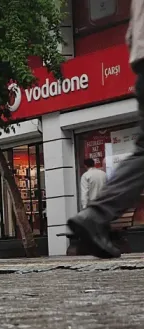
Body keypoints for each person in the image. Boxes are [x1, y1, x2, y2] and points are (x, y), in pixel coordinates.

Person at [67, 5, 144, 259]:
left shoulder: (89, 176)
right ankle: (95, 215)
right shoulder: (99, 173)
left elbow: (131, 35)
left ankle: (95, 214)